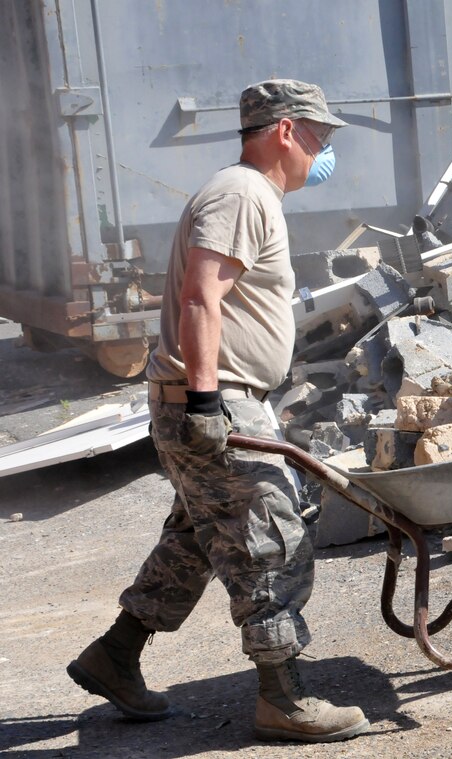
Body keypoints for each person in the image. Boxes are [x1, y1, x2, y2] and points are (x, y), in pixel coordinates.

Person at [66, 79, 369, 744]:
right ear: (285, 130)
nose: (323, 153)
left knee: (199, 535)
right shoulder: (242, 192)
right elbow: (202, 297)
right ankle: (281, 697)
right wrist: (206, 401)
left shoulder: (248, 194)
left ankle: (114, 656)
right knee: (272, 535)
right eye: (318, 137)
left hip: (217, 397)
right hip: (211, 400)